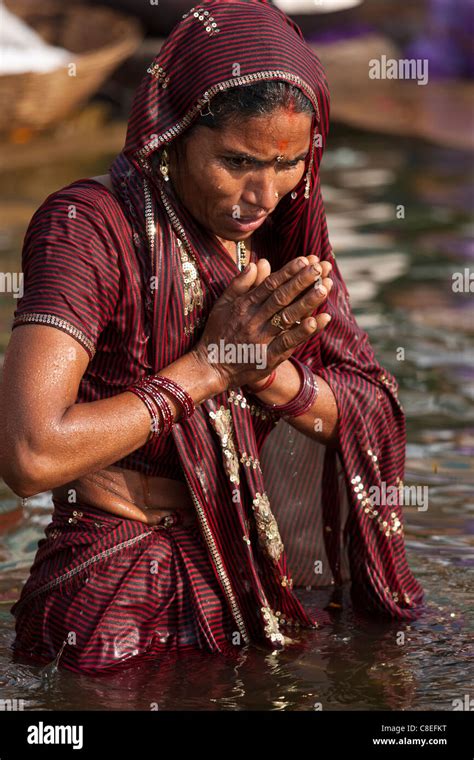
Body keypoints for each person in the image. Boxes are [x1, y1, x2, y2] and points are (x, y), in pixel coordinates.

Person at [0, 0, 424, 675]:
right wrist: (210, 368)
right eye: (237, 160)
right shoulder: (91, 229)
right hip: (112, 589)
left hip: (245, 577)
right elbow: (30, 454)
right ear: (172, 132)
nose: (264, 193)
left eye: (288, 165)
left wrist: (272, 377)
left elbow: (371, 404)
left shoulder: (279, 238)